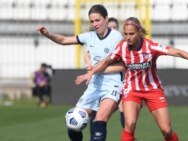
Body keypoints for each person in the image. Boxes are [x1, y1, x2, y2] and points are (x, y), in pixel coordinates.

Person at [75, 17, 188, 141]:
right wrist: (91, 72)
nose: (128, 37)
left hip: (153, 89)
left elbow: (176, 52)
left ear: (139, 32)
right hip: (132, 90)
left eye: (131, 34)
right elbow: (105, 62)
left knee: (167, 130)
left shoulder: (151, 46)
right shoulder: (122, 47)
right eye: (126, 34)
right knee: (129, 124)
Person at [37, 5, 124, 141]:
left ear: (106, 19)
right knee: (73, 122)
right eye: (92, 21)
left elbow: (124, 65)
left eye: (97, 20)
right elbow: (64, 40)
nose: (95, 24)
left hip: (113, 84)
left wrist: (96, 70)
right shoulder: (89, 36)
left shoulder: (117, 37)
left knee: (98, 120)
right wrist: (48, 34)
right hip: (95, 84)